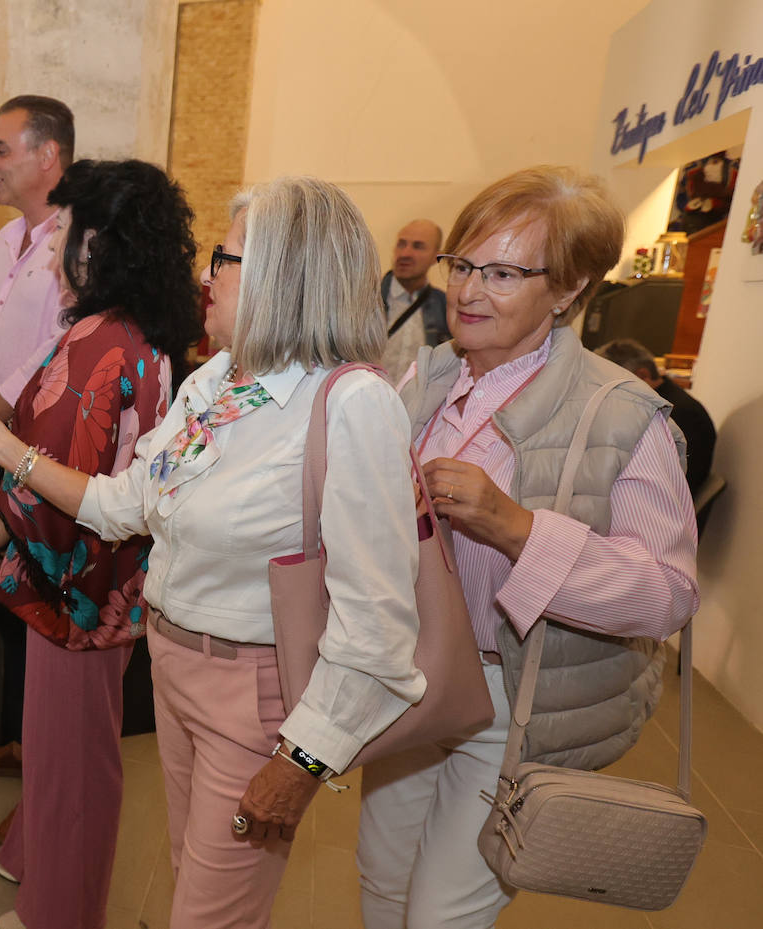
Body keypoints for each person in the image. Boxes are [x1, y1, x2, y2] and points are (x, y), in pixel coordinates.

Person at [0, 176, 426, 929]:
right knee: (196, 882)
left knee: (212, 915)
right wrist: (11, 452)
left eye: (225, 258)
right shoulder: (216, 380)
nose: (205, 275)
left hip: (254, 696)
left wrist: (303, 760)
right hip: (175, 669)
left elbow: (379, 621)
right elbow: (127, 503)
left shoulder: (352, 404)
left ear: (285, 276)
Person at [359, 166, 700, 929]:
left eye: (506, 272)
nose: (471, 291)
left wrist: (516, 527)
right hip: (408, 679)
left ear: (571, 288)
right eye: (466, 265)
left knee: (439, 915)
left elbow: (668, 592)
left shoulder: (621, 415)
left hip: (510, 703)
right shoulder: (427, 375)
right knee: (381, 883)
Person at [0, 158, 201, 929]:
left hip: (79, 586)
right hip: (112, 579)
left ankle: (59, 912)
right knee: (68, 747)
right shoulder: (142, 337)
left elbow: (54, 474)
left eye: (63, 229)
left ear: (96, 244)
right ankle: (31, 856)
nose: (54, 243)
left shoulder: (96, 344)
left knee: (75, 767)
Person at [0, 95, 74, 780]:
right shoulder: (6, 239)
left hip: (37, 462)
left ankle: (46, 772)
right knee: (2, 599)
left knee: (40, 611)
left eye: (1, 149)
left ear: (46, 155)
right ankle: (27, 750)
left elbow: (62, 343)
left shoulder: (77, 243)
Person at [597, 337, 716, 496]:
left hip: (664, 499)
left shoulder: (672, 412)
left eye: (614, 382)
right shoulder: (663, 398)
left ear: (643, 375)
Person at [380, 219, 449, 382]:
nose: (405, 254)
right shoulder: (365, 299)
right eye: (401, 244)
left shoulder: (445, 307)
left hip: (416, 406)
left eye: (418, 246)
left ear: (436, 257)